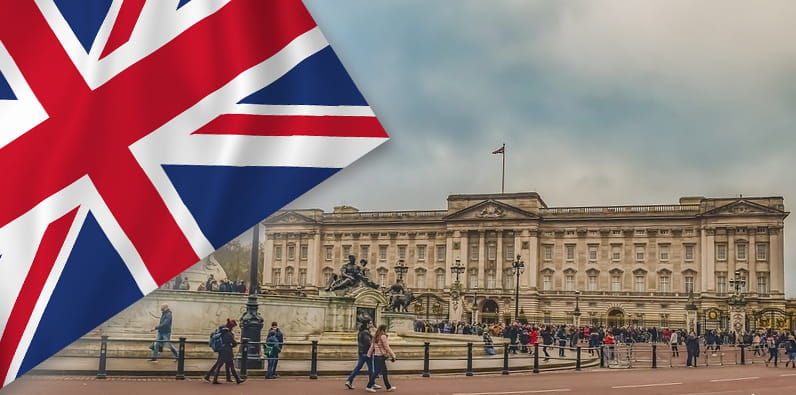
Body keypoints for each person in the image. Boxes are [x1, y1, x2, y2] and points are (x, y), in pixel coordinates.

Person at [345, 320, 381, 390]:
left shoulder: (362, 332)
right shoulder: (366, 332)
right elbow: (369, 343)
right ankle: (371, 383)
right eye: (370, 323)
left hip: (362, 352)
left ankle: (350, 380)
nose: (372, 324)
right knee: (370, 368)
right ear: (367, 324)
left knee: (361, 367)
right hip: (367, 353)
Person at [366, 324, 397, 392]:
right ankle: (368, 386)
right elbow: (387, 347)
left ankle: (388, 387)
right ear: (384, 329)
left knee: (384, 372)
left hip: (377, 356)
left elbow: (372, 347)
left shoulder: (376, 336)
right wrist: (393, 355)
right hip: (381, 357)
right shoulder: (383, 336)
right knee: (377, 372)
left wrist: (368, 354)